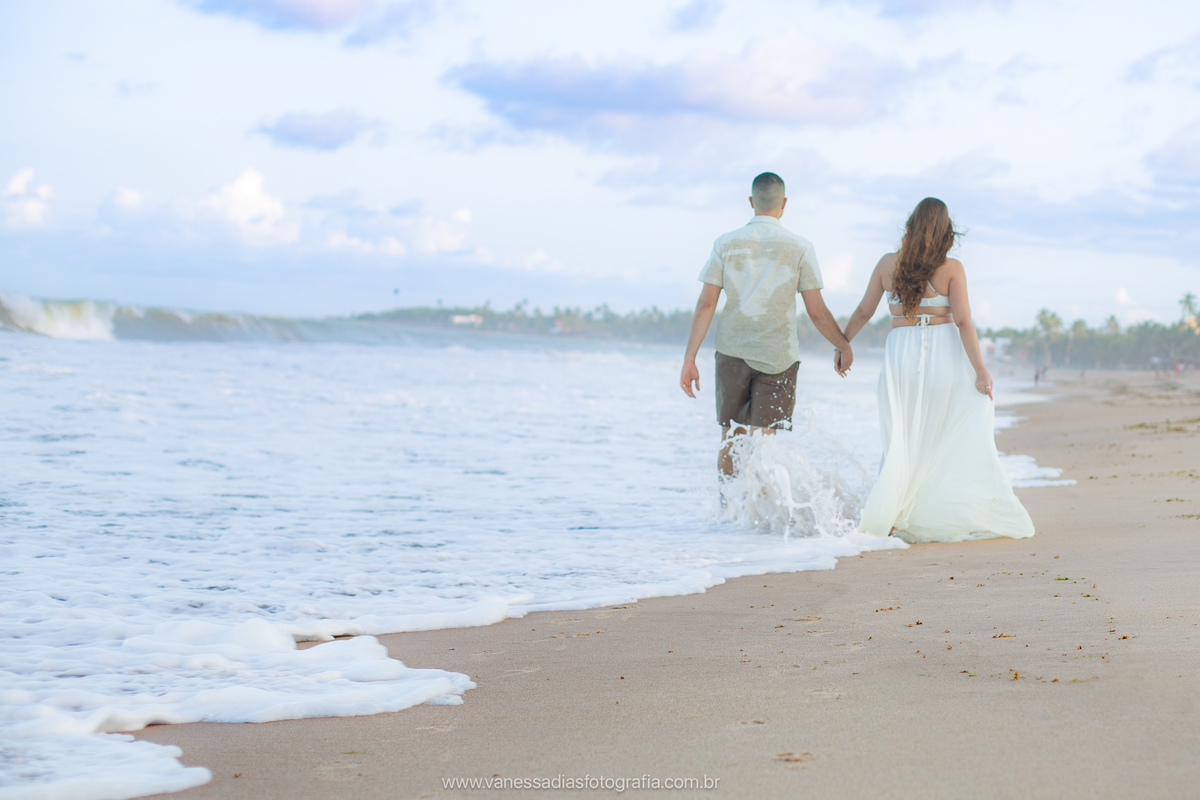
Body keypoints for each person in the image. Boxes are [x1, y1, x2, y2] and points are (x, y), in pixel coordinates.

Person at [841, 197, 1034, 543]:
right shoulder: (952, 269)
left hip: (900, 356)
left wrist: (844, 345)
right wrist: (981, 370)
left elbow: (863, 312)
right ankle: (921, 509)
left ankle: (891, 515)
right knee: (940, 434)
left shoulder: (887, 264)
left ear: (911, 224)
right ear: (946, 230)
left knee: (900, 437)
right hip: (942, 355)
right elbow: (962, 321)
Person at [680, 172, 852, 476]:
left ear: (751, 202)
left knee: (731, 439)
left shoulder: (725, 243)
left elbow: (707, 304)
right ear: (784, 203)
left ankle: (729, 514)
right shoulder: (800, 247)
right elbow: (817, 312)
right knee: (765, 445)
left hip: (732, 353)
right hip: (779, 358)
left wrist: (689, 358)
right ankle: (758, 517)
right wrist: (842, 345)